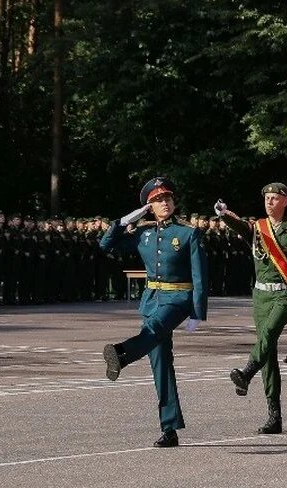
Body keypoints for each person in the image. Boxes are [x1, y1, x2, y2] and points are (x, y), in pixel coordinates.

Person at [100, 177, 208, 447]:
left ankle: (122, 355)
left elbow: (200, 276)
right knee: (160, 363)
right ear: (149, 206)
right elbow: (106, 245)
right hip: (152, 299)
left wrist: (197, 311)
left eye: (168, 199)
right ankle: (170, 429)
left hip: (178, 298)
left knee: (153, 329)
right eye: (158, 200)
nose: (164, 203)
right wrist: (125, 221)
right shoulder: (143, 233)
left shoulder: (188, 233)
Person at [220, 183, 287, 435]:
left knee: (268, 335)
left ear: (286, 202)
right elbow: (242, 227)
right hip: (261, 296)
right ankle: (274, 415)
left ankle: (247, 372)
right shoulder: (258, 228)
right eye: (267, 198)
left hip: (284, 296)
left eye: (276, 198)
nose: (270, 202)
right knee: (269, 354)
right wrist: (223, 214)